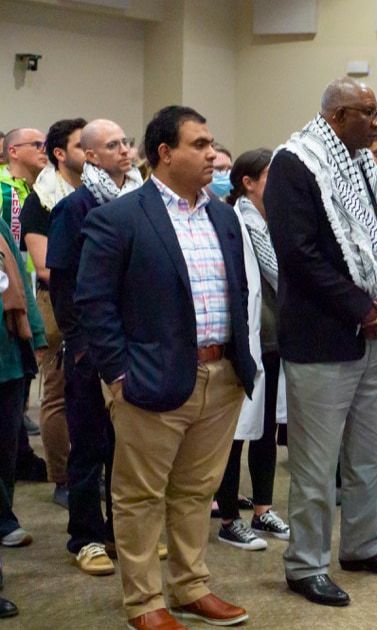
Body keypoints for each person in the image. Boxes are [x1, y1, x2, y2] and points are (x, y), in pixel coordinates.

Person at [75, 105, 256, 629]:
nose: (212, 156)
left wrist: (239, 366)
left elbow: (237, 291)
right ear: (164, 153)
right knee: (139, 497)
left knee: (197, 492)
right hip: (150, 379)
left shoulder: (224, 214)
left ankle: (190, 585)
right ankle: (144, 602)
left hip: (220, 377)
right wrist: (120, 374)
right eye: (199, 145)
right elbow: (94, 304)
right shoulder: (120, 217)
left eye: (212, 144)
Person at [265, 78, 377, 607]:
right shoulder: (294, 163)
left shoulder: (362, 165)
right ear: (337, 116)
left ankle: (362, 545)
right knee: (315, 464)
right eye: (369, 113)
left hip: (376, 340)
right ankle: (305, 565)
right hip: (324, 338)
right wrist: (361, 308)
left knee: (372, 456)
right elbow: (299, 253)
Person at [47, 118, 143, 577]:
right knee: (88, 447)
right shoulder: (75, 208)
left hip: (133, 345)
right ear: (89, 156)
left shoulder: (143, 203)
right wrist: (82, 347)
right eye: (112, 145)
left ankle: (117, 532)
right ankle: (84, 536)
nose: (124, 150)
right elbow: (64, 287)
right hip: (90, 347)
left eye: (126, 142)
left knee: (126, 449)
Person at [212, 148, 291, 552]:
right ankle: (229, 518)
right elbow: (282, 273)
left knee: (267, 430)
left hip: (275, 338)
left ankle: (262, 508)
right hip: (249, 340)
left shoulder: (272, 219)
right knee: (237, 433)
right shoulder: (239, 221)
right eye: (271, 176)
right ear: (248, 182)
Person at [21, 117, 87, 508]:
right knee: (59, 394)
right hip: (57, 301)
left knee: (94, 395)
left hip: (95, 300)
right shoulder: (41, 200)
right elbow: (45, 265)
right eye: (82, 146)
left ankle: (88, 470)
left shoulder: (97, 193)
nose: (91, 153)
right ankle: (62, 476)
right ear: (60, 154)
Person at [0, 209, 46, 551]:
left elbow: (22, 287)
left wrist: (38, 334)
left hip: (8, 356)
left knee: (5, 450)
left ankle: (4, 518)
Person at [1, 128, 48, 244]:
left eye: (47, 145)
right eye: (37, 145)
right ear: (13, 152)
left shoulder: (51, 189)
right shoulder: (2, 189)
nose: (45, 150)